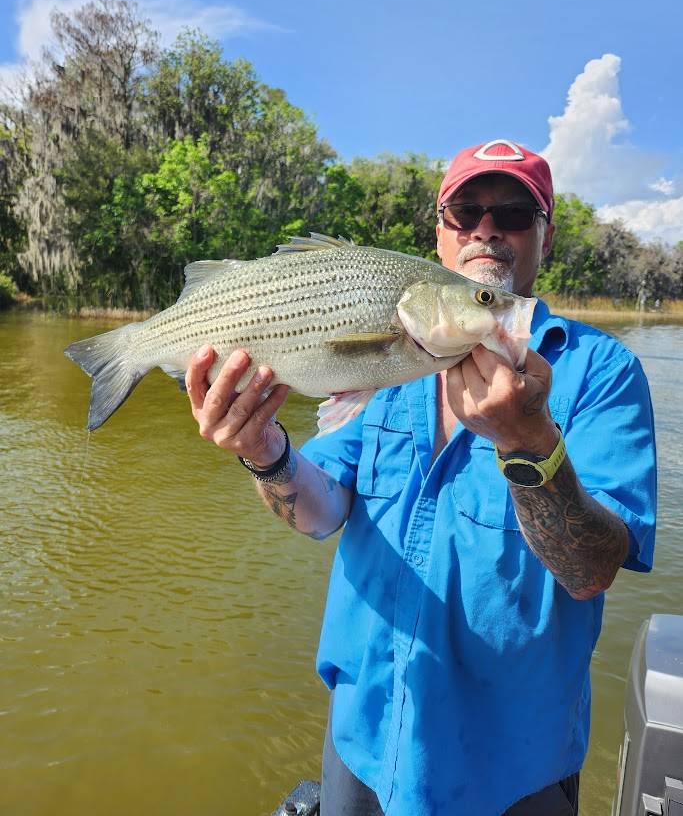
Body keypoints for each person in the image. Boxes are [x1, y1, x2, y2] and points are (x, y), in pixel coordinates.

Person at [185, 139, 657, 816]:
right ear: (438, 234)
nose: (486, 226)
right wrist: (264, 451)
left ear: (544, 235)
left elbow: (590, 570)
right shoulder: (386, 366)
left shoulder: (601, 372)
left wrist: (528, 443)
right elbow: (321, 512)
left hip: (511, 773)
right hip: (362, 744)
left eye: (514, 212)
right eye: (465, 209)